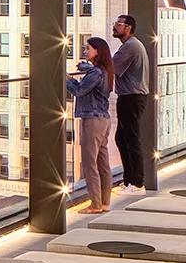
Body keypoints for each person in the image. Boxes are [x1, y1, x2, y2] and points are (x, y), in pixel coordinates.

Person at [65, 36, 117, 213]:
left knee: (89, 163)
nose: (85, 51)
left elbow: (79, 91)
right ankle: (104, 202)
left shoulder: (95, 73)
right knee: (103, 163)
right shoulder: (104, 71)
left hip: (93, 120)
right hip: (104, 119)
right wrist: (87, 68)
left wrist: (66, 79)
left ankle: (95, 204)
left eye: (88, 48)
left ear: (97, 51)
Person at [110, 14, 154, 191]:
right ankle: (129, 180)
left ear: (128, 27)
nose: (115, 26)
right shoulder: (132, 45)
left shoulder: (130, 46)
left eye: (118, 24)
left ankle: (136, 182)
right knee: (122, 138)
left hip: (131, 98)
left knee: (130, 139)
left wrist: (90, 66)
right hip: (131, 97)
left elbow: (110, 67)